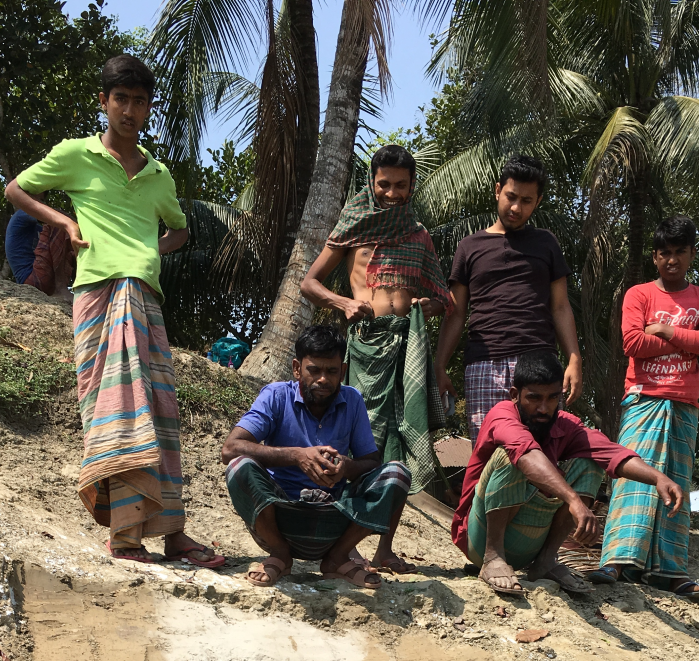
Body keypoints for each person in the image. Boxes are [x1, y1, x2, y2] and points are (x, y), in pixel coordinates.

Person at [5, 54, 223, 568]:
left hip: (145, 297)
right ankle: (125, 537)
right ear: (103, 102)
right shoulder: (75, 155)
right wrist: (64, 222)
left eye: (139, 101)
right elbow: (16, 189)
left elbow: (181, 231)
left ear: (149, 108)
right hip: (97, 295)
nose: (129, 109)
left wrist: (148, 249)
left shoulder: (158, 174)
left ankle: (173, 532)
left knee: (158, 414)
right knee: (115, 412)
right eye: (120, 99)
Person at [299, 143, 452, 572]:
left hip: (407, 351)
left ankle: (384, 548)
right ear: (371, 182)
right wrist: (344, 304)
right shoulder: (355, 226)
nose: (391, 193)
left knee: (399, 447)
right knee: (358, 442)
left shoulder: (419, 235)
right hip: (363, 348)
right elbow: (310, 283)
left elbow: (443, 299)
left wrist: (421, 308)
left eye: (400, 186)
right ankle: (345, 543)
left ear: (412, 186)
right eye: (384, 184)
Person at [452, 350, 683, 596]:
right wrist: (573, 500)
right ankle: (494, 557)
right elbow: (526, 453)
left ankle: (546, 562)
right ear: (515, 395)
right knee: (510, 456)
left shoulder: (566, 425)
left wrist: (659, 478)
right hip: (479, 538)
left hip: (529, 544)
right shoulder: (502, 413)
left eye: (552, 398)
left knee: (589, 461)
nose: (544, 408)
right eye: (534, 398)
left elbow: (611, 453)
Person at [590, 216, 699, 601]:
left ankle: (670, 572)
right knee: (632, 475)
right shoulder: (639, 294)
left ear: (692, 254)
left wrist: (665, 332)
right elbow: (632, 343)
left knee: (676, 483)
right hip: (642, 398)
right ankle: (616, 561)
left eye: (680, 252)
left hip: (684, 403)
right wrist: (689, 342)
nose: (672, 260)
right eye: (665, 253)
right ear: (654, 256)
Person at [221, 325, 413, 589]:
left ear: (342, 372)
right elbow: (230, 448)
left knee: (397, 473)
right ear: (297, 368)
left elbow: (371, 463)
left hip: (334, 518)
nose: (323, 379)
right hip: (278, 514)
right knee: (238, 466)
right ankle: (279, 554)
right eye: (314, 370)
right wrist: (297, 456)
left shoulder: (352, 400)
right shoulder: (275, 396)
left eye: (332, 371)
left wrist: (347, 467)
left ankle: (337, 558)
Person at [435, 155, 581, 445]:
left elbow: (561, 307)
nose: (516, 208)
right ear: (497, 190)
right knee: (490, 456)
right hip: (483, 366)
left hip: (539, 363)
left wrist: (575, 359)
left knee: (543, 455)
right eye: (511, 196)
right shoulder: (469, 247)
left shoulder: (546, 243)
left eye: (526, 201)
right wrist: (439, 366)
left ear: (537, 202)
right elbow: (456, 312)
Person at [4, 206, 41, 284]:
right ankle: (60, 286)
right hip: (29, 276)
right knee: (61, 228)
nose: (40, 203)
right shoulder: (21, 214)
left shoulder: (38, 228)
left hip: (35, 274)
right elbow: (50, 216)